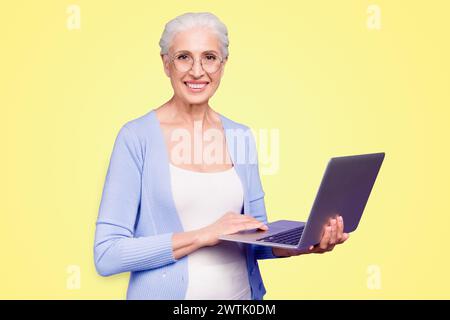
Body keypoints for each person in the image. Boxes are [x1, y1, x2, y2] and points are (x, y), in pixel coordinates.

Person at [94, 12, 349, 300]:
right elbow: (107, 254)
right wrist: (203, 235)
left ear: (223, 65)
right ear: (166, 64)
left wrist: (302, 243)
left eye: (209, 57)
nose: (197, 71)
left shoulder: (240, 135)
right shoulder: (136, 137)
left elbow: (255, 240)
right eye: (183, 57)